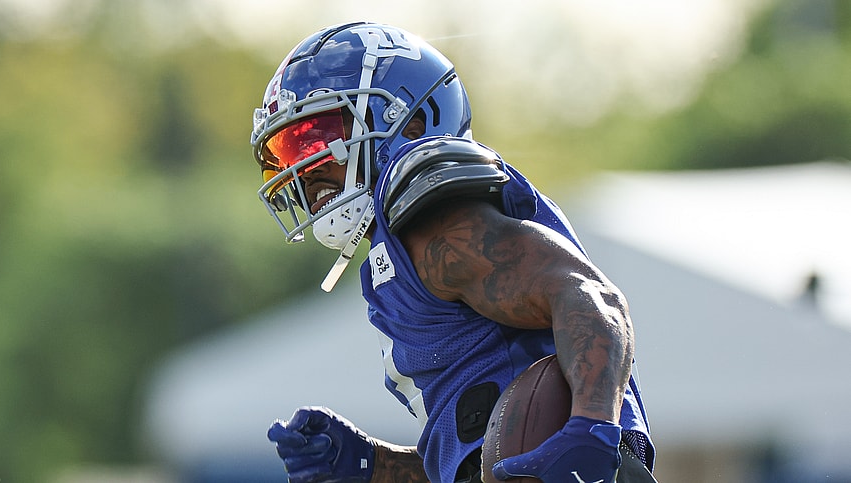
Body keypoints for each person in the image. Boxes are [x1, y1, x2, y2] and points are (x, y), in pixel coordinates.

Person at [250, 21, 657, 483]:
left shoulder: (437, 221)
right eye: (284, 157)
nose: (302, 171)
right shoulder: (398, 254)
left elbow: (590, 297)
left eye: (315, 140)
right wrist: (374, 466)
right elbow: (485, 458)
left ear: (409, 120)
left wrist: (592, 431)